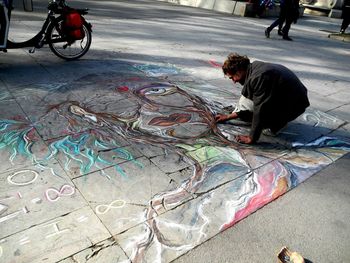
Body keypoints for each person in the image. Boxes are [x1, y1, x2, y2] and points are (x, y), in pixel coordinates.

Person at [215, 53, 310, 144]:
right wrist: (228, 117)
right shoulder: (253, 68)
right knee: (248, 103)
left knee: (262, 122)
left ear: (239, 71)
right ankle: (275, 118)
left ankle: (279, 124)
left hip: (296, 105)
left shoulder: (258, 77)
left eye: (232, 77)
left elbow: (260, 109)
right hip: (288, 96)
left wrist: (252, 138)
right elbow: (248, 102)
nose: (234, 81)